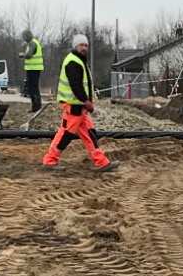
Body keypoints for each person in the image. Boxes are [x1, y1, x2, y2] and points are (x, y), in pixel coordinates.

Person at [43, 34, 115, 171]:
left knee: (89, 133)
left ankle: (101, 162)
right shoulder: (73, 62)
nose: (84, 48)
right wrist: (86, 101)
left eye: (86, 45)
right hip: (74, 105)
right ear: (75, 46)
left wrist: (86, 102)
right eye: (81, 45)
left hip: (78, 105)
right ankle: (50, 160)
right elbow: (76, 85)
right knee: (67, 134)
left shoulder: (79, 61)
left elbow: (82, 84)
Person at [21, 28, 44, 113]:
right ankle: (35, 106)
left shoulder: (33, 43)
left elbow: (29, 55)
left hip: (34, 69)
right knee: (31, 88)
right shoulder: (32, 43)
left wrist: (23, 55)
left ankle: (37, 107)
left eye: (24, 37)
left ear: (27, 36)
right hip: (32, 69)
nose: (23, 39)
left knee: (34, 88)